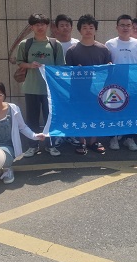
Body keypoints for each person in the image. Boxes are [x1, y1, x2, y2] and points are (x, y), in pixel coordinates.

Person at [0, 81, 45, 184]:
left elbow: (22, 127)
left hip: (7, 146)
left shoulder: (13, 109)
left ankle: (7, 169)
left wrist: (35, 136)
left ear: (4, 95)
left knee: (1, 157)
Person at [16, 13, 65, 157]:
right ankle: (33, 145)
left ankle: (51, 145)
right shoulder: (25, 44)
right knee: (32, 119)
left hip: (50, 90)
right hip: (31, 88)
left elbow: (61, 66)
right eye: (36, 25)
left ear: (47, 26)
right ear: (32, 27)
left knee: (51, 118)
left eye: (43, 24)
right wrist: (30, 65)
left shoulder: (55, 44)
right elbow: (19, 62)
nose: (40, 27)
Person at [65, 14, 112, 154]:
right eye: (84, 27)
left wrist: (109, 67)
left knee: (96, 114)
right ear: (79, 30)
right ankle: (81, 141)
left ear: (95, 30)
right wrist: (76, 71)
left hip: (97, 90)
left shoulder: (103, 49)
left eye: (91, 27)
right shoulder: (72, 50)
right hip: (78, 90)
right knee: (80, 115)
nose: (88, 30)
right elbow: (67, 73)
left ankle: (93, 141)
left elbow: (108, 72)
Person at [105, 14, 137, 151]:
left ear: (132, 27)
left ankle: (129, 138)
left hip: (132, 84)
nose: (125, 28)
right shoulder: (109, 44)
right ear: (117, 27)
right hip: (114, 84)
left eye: (128, 25)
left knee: (131, 111)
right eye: (122, 25)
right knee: (114, 110)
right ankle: (113, 137)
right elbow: (105, 65)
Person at [52, 14, 81, 148]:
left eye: (67, 25)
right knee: (57, 109)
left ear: (71, 27)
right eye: (61, 25)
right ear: (56, 28)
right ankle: (58, 135)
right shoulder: (51, 44)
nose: (65, 28)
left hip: (74, 84)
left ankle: (71, 134)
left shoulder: (77, 44)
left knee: (73, 109)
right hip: (56, 84)